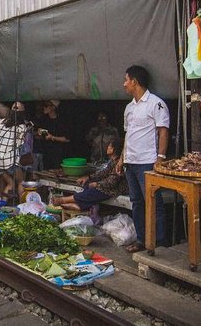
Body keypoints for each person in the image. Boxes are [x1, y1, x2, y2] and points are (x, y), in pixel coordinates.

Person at [117, 65, 169, 253]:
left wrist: (161, 158)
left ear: (135, 82)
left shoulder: (156, 103)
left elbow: (163, 132)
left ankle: (160, 242)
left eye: (126, 80)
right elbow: (128, 134)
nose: (124, 84)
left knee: (154, 202)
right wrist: (122, 158)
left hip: (147, 162)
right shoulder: (129, 108)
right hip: (131, 162)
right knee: (137, 202)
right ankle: (142, 240)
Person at [52, 138, 127, 211]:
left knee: (94, 192)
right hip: (109, 186)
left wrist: (97, 184)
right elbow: (103, 173)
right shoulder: (112, 161)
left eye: (109, 146)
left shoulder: (119, 164)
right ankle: (80, 206)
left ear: (113, 149)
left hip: (115, 189)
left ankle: (64, 200)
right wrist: (89, 177)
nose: (107, 147)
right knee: (87, 186)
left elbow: (112, 182)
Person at [0, 109, 29, 199]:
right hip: (10, 160)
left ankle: (2, 206)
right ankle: (22, 207)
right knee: (21, 182)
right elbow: (20, 143)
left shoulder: (2, 122)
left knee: (11, 184)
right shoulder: (21, 127)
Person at [34, 100, 70, 170]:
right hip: (46, 152)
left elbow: (67, 139)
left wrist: (52, 137)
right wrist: (41, 133)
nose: (44, 108)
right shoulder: (44, 119)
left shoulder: (62, 120)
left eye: (46, 106)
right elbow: (41, 131)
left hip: (59, 152)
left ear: (53, 107)